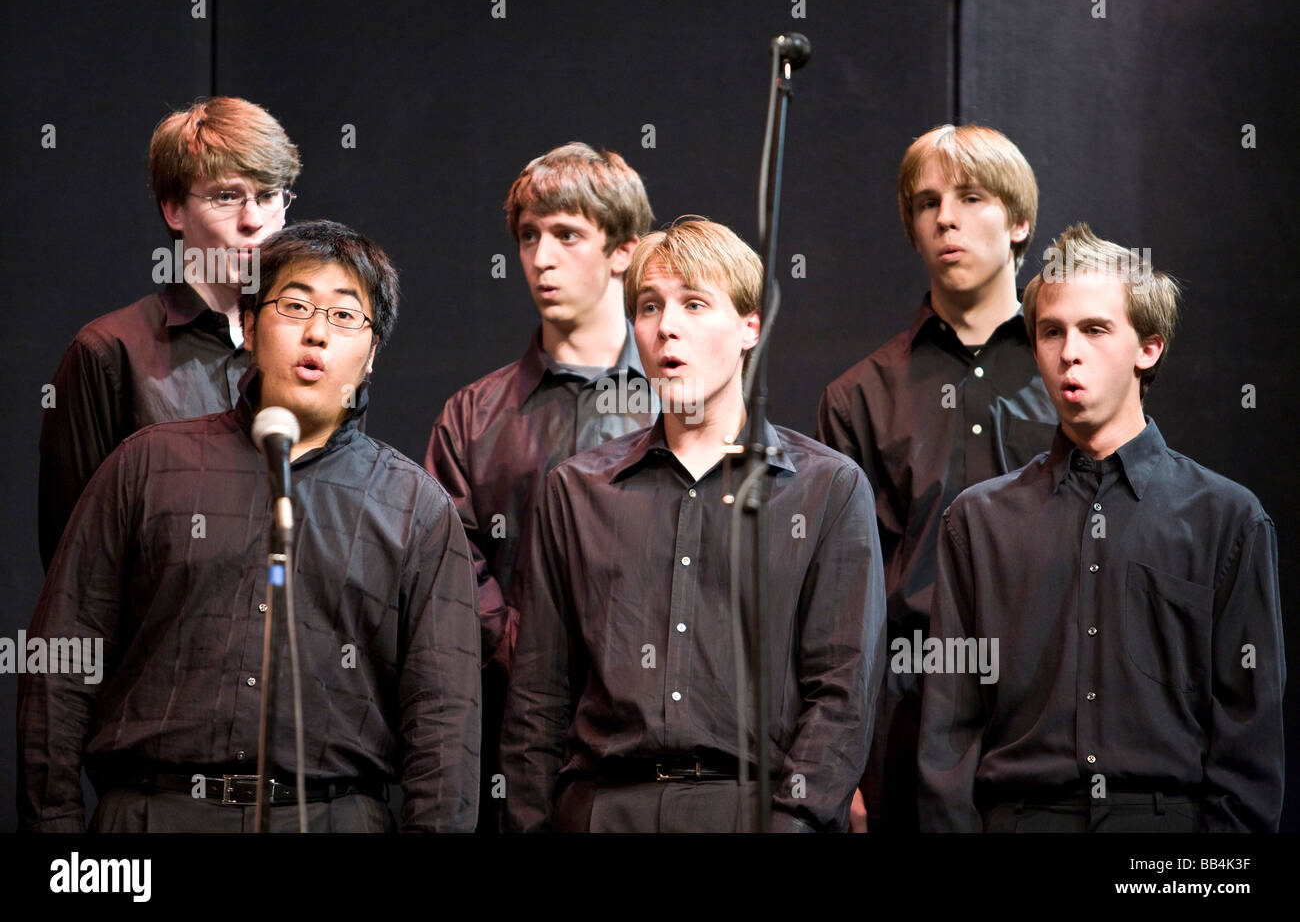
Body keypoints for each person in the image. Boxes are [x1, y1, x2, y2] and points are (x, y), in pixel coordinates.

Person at [20, 220, 481, 832]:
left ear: (370, 355)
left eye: (345, 317)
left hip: (332, 817)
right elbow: (61, 660)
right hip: (154, 815)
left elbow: (444, 724)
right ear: (251, 324)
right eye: (294, 306)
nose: (316, 332)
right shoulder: (146, 465)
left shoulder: (416, 507)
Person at [500, 218, 886, 832]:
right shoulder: (576, 490)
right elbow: (538, 698)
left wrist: (797, 823)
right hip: (603, 805)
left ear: (749, 328)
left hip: (754, 808)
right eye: (649, 307)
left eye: (695, 304)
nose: (666, 327)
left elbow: (843, 691)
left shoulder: (827, 488)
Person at [917, 223, 1285, 832]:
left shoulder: (1226, 519)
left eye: (1094, 329)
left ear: (1149, 347)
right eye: (1051, 332)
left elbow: (1248, 741)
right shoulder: (979, 522)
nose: (1069, 352)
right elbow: (949, 733)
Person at [817, 124, 1057, 831]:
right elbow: (842, 602)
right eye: (926, 204)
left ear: (1018, 222)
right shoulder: (858, 396)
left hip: (1058, 697)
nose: (945, 217)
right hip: (912, 708)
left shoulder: (1073, 374)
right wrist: (846, 769)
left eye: (970, 196)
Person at [424, 142, 655, 829]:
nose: (541, 257)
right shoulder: (474, 414)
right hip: (514, 728)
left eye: (567, 234)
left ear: (622, 251)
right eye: (529, 237)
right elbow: (446, 552)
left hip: (651, 728)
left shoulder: (679, 403)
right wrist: (517, 640)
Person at [39, 96, 301, 569]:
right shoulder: (108, 353)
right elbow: (74, 568)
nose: (254, 221)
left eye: (268, 196)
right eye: (227, 196)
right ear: (174, 210)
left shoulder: (311, 344)